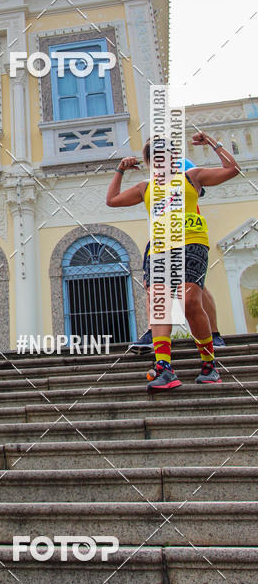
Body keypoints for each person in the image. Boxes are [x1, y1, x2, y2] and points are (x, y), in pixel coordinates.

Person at [106, 132, 240, 391]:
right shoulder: (146, 187)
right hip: (158, 249)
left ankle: (209, 364)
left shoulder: (192, 177)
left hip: (191, 242)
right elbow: (112, 200)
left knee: (190, 302)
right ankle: (164, 368)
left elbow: (232, 169)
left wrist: (211, 142)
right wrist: (120, 170)